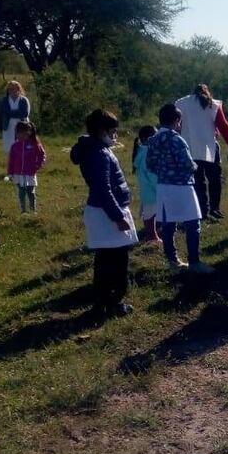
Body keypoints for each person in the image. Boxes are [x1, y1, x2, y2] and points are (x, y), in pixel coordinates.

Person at [70, 108, 137, 317]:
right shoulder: (99, 154)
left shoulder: (94, 149)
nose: (115, 135)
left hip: (102, 210)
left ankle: (102, 302)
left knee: (105, 260)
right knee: (116, 261)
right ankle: (113, 302)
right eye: (113, 131)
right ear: (102, 130)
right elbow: (103, 189)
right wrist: (118, 217)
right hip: (107, 212)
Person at [147, 104, 214, 275]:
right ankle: (194, 262)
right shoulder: (177, 140)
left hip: (163, 187)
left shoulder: (153, 140)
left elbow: (150, 164)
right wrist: (195, 166)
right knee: (193, 224)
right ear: (177, 120)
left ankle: (173, 261)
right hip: (182, 187)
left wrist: (164, 172)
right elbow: (187, 165)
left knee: (168, 226)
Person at [174, 84, 228, 220]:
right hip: (210, 147)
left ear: (193, 92)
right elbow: (223, 126)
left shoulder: (182, 103)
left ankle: (202, 211)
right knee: (215, 179)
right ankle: (215, 208)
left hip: (189, 147)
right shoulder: (213, 104)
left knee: (198, 181)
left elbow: (176, 124)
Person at [6, 121, 46, 213]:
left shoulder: (35, 144)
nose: (18, 135)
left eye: (21, 132)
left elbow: (42, 156)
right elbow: (11, 160)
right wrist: (10, 173)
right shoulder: (14, 146)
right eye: (17, 132)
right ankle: (23, 211)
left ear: (28, 132)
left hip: (30, 173)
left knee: (30, 192)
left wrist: (37, 165)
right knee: (21, 192)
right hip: (18, 174)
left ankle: (33, 210)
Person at [132, 125, 162, 244]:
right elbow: (152, 175)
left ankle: (152, 234)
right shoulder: (147, 154)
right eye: (154, 136)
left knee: (149, 213)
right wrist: (159, 188)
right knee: (149, 215)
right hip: (152, 190)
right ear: (145, 139)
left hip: (147, 190)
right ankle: (151, 236)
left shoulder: (142, 151)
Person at [0, 80, 31, 159]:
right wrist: (16, 112)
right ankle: (12, 165)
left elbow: (24, 113)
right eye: (9, 89)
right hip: (9, 126)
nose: (11, 91)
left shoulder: (24, 100)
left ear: (18, 89)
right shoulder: (5, 100)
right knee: (10, 148)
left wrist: (10, 113)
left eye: (13, 89)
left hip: (22, 126)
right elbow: (4, 112)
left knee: (23, 147)